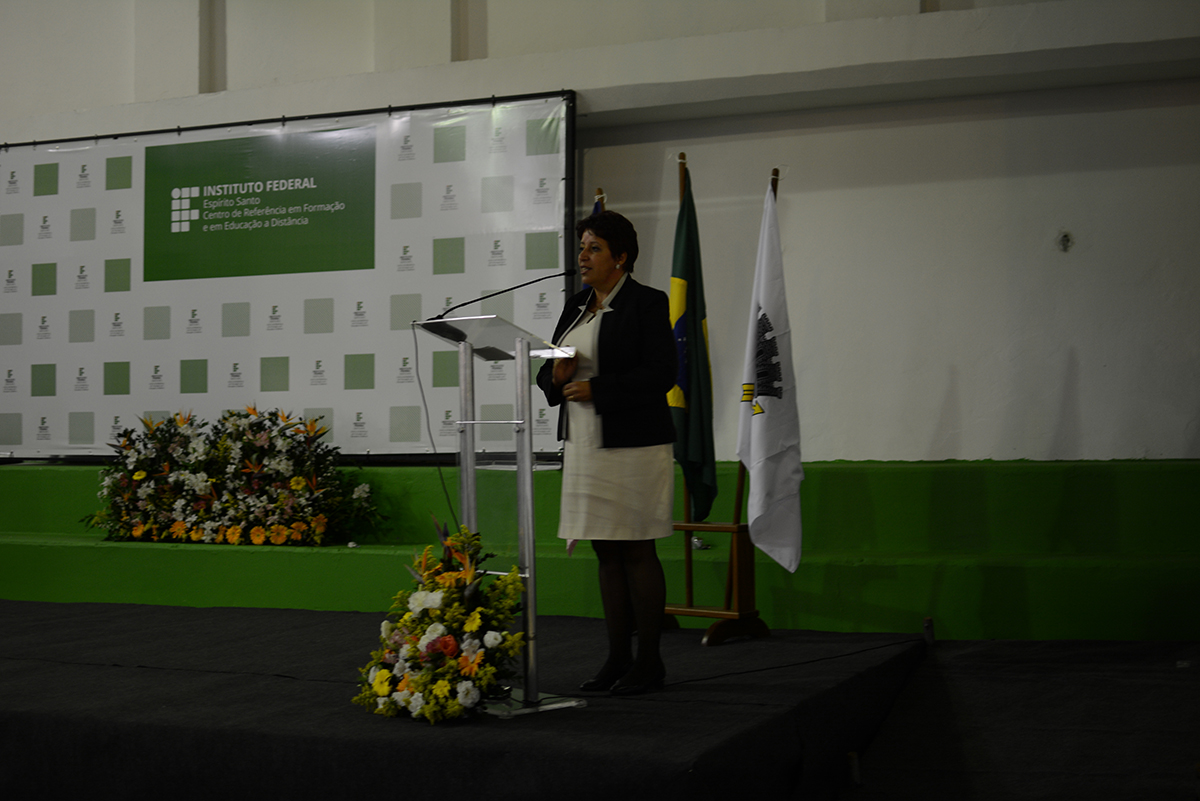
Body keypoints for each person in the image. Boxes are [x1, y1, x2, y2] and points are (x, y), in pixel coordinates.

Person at [537, 210, 676, 696]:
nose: (583, 256)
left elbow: (662, 373)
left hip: (634, 443)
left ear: (621, 257)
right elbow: (549, 369)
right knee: (605, 551)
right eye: (582, 247)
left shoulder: (647, 303)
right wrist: (556, 378)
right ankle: (617, 658)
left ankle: (650, 661)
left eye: (594, 248)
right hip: (586, 445)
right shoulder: (576, 305)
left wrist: (599, 389)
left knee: (636, 548)